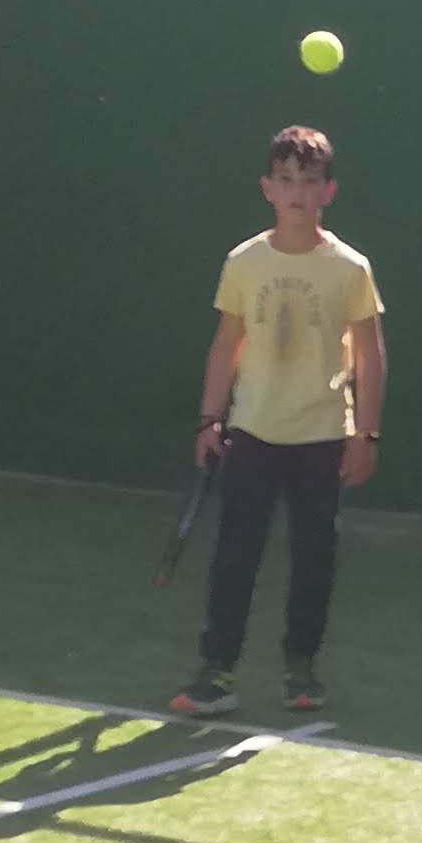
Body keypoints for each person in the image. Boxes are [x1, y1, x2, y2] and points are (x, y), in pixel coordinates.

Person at [170, 126, 385, 716]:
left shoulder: (350, 268)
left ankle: (301, 670)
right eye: (285, 180)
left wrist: (365, 433)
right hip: (252, 433)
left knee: (314, 558)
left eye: (309, 182)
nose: (296, 193)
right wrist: (209, 419)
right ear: (267, 187)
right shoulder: (244, 261)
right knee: (234, 556)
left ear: (328, 191)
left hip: (323, 436)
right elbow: (227, 343)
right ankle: (217, 673)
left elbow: (371, 356)